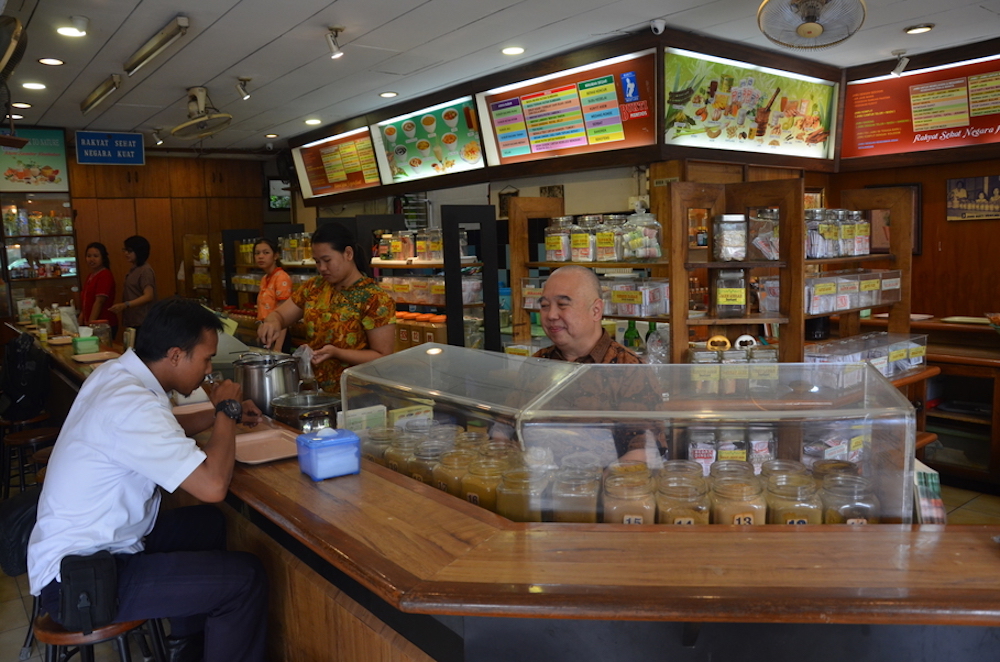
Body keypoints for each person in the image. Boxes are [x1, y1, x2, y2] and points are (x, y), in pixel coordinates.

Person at [28, 298, 267, 662]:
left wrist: (215, 414)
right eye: (205, 360)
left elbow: (160, 430)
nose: (208, 372)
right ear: (175, 355)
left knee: (206, 525)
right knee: (246, 579)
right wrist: (227, 412)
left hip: (97, 550)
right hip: (82, 579)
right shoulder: (133, 404)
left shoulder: (116, 375)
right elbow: (212, 486)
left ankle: (184, 649)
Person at [257, 223, 395, 394]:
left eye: (327, 260)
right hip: (316, 391)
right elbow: (280, 315)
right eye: (317, 262)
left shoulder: (375, 298)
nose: (322, 268)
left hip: (358, 395)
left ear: (348, 254)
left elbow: (382, 357)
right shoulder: (314, 288)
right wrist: (272, 322)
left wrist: (337, 353)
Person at [535, 265, 641, 364]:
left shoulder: (629, 367)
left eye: (562, 304)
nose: (551, 315)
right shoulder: (536, 363)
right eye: (545, 305)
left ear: (596, 310)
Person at [108, 235, 156, 333]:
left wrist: (125, 305)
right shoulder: (134, 269)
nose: (126, 253)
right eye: (125, 250)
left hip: (143, 321)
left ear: (139, 251)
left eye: (129, 251)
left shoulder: (145, 270)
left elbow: (148, 296)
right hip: (133, 320)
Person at [254, 237, 293, 352]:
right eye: (257, 253)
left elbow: (284, 315)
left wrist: (278, 348)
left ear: (275, 256)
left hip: (279, 334)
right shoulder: (264, 278)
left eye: (266, 253)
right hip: (266, 332)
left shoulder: (281, 277)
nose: (261, 256)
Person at [78, 241, 118, 336]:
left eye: (96, 256)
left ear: (103, 258)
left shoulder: (105, 275)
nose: (91, 259)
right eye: (89, 256)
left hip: (102, 325)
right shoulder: (90, 276)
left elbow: (99, 302)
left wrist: (91, 324)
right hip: (91, 323)